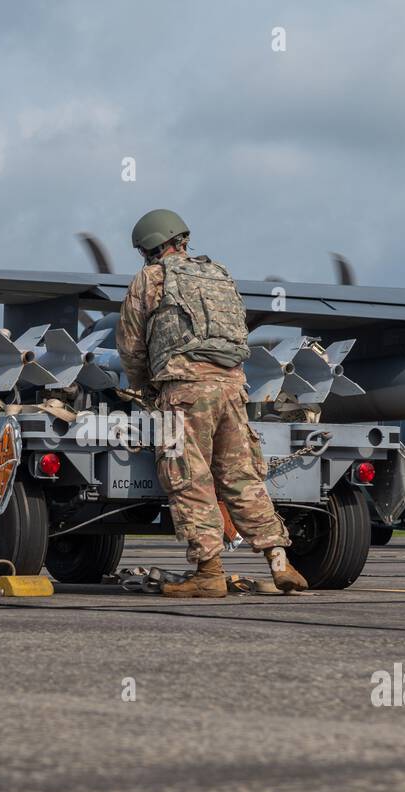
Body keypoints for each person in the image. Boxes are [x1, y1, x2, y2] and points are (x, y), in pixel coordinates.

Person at [115, 208, 308, 597]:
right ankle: (279, 561)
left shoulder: (151, 278)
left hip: (184, 391)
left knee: (188, 477)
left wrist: (145, 389)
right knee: (243, 477)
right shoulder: (219, 274)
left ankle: (208, 571)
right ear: (181, 238)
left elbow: (131, 345)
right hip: (233, 388)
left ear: (149, 247)